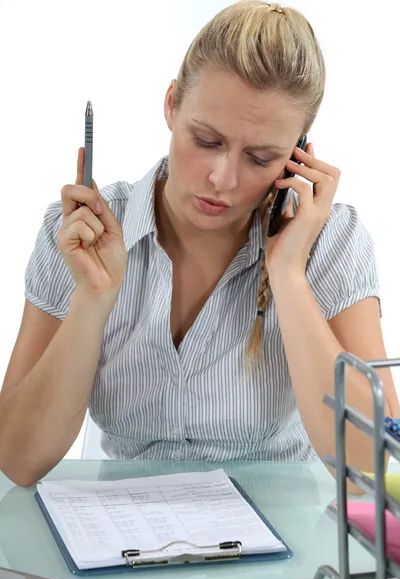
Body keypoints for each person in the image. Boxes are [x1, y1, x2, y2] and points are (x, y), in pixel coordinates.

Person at [0, 1, 398, 488]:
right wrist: (94, 298)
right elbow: (18, 460)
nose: (222, 179)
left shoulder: (332, 240)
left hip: (281, 537)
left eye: (260, 157)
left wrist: (290, 275)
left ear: (298, 158)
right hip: (119, 534)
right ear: (171, 104)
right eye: (206, 140)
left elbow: (369, 467)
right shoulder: (82, 234)